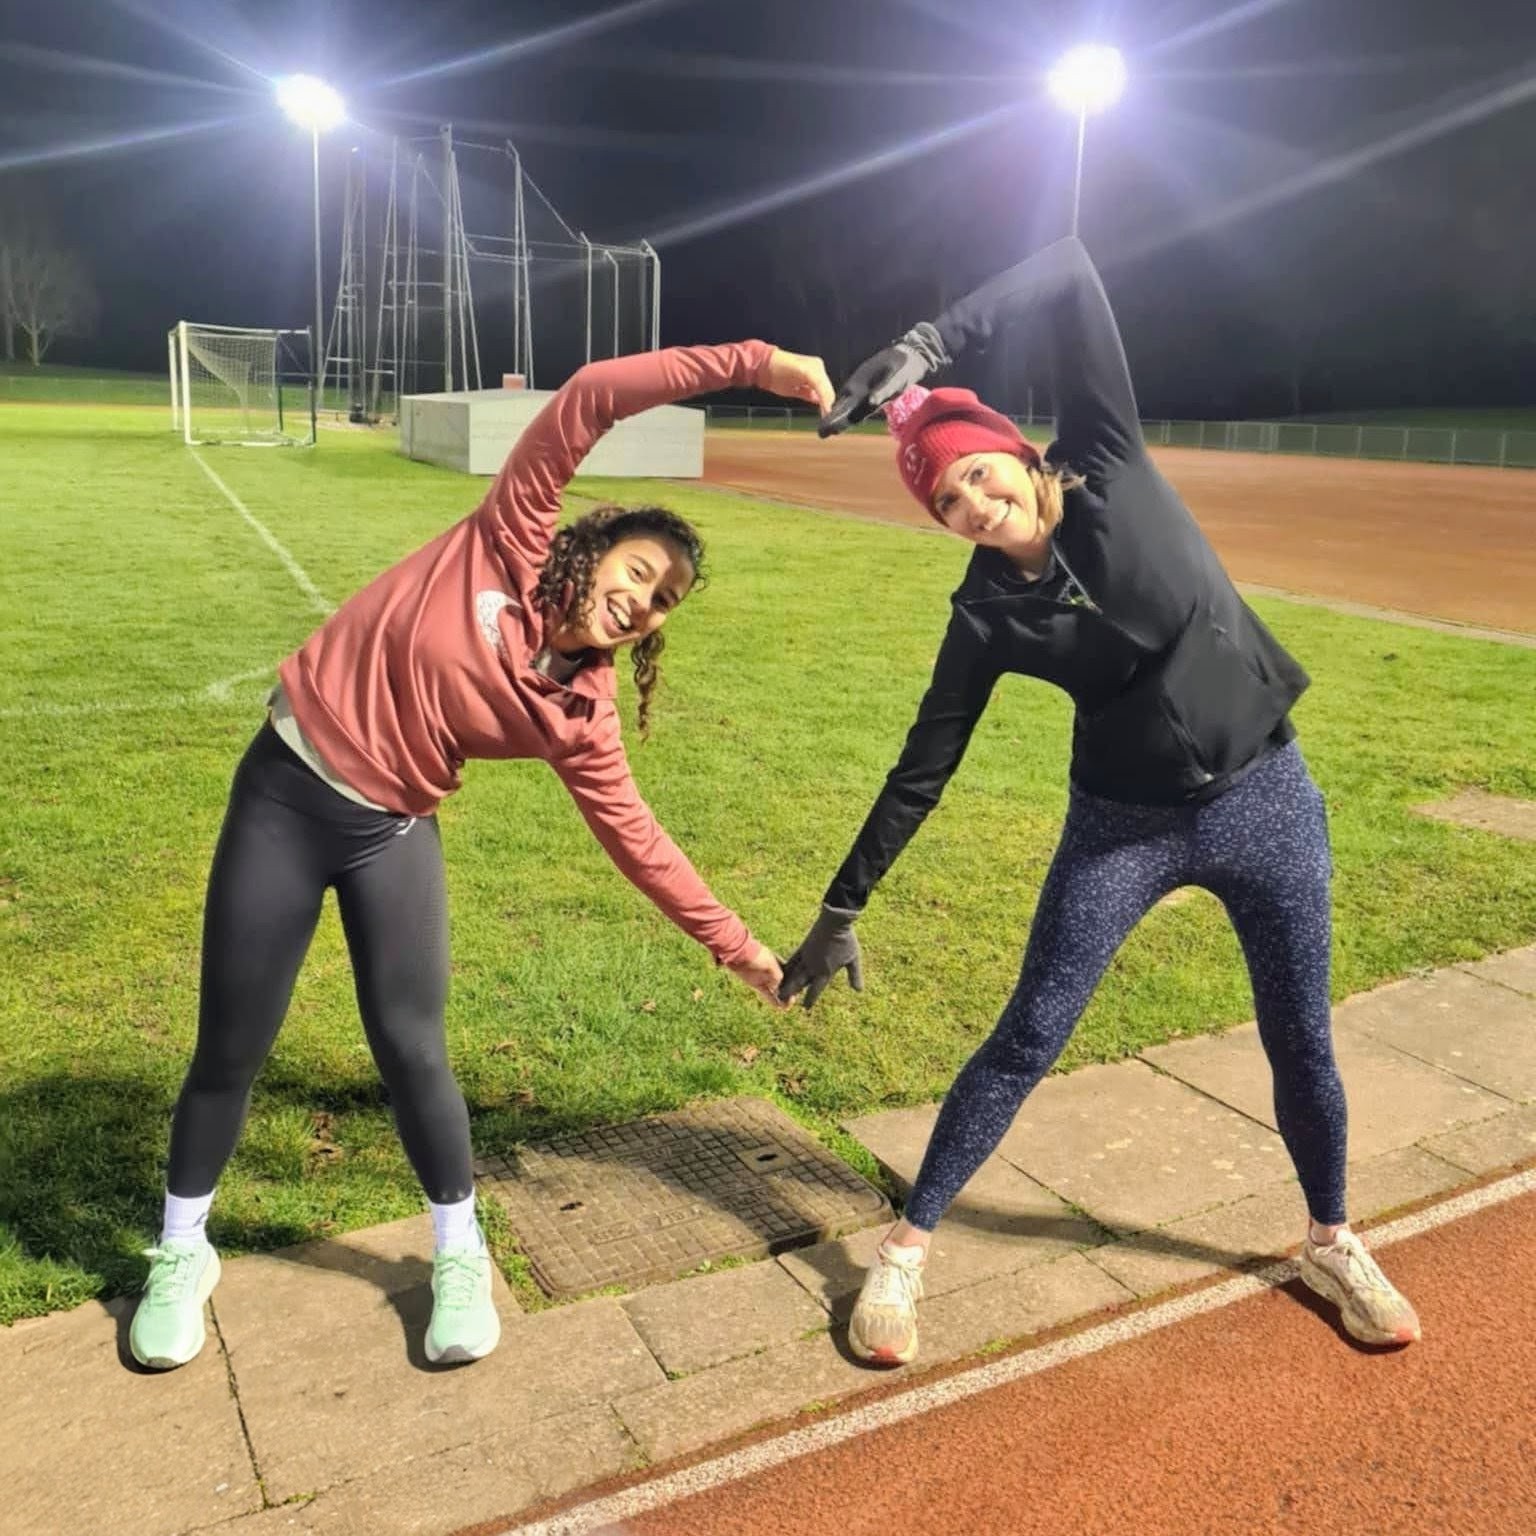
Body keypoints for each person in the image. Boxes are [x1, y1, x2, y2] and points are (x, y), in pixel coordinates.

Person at [130, 340, 832, 1371]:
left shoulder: (580, 713)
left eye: (665, 600)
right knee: (231, 1048)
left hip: (392, 832)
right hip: (283, 796)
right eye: (642, 569)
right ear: (596, 546)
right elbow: (591, 398)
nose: (644, 598)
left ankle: (459, 1255)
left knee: (413, 1048)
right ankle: (182, 1252)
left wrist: (747, 953)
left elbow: (638, 842)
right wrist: (759, 364)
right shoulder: (505, 540)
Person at [779, 236, 1418, 1365]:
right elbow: (925, 765)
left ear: (1019, 459)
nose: (973, 501)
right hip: (1121, 828)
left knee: (1299, 1037)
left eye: (979, 474)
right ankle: (904, 1254)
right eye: (945, 500)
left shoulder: (1109, 461)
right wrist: (842, 907)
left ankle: (1330, 1238)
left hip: (1267, 797)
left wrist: (925, 347)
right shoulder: (984, 617)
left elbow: (1069, 269)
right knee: (1026, 1035)